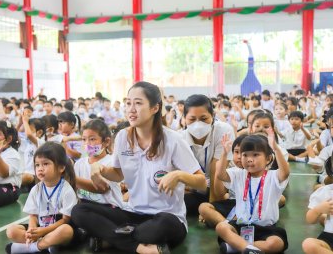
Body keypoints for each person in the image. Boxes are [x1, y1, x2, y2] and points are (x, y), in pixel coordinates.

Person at [71, 81, 207, 253]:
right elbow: (118, 174)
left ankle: (112, 239)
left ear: (155, 108)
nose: (131, 109)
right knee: (79, 211)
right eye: (128, 103)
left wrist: (179, 175)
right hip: (133, 213)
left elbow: (202, 183)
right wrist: (100, 169)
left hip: (166, 217)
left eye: (138, 103)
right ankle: (139, 247)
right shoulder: (122, 137)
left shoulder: (173, 140)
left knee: (160, 226)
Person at [215, 132, 290, 254]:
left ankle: (236, 247)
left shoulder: (273, 176)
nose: (249, 159)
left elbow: (285, 172)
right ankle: (250, 249)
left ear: (268, 159)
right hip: (242, 225)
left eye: (255, 155)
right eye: (245, 155)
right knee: (221, 227)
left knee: (275, 243)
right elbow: (221, 175)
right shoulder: (239, 174)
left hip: (267, 228)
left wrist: (276, 149)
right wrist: (224, 153)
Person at [5, 142, 80, 254]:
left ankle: (34, 248)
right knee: (11, 231)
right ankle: (45, 246)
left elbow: (65, 220)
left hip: (57, 229)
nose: (40, 169)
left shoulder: (66, 189)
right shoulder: (36, 189)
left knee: (66, 230)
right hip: (41, 228)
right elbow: (33, 215)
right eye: (37, 165)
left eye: (45, 164)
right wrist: (32, 230)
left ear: (61, 168)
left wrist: (43, 231)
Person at [182, 94, 235, 214]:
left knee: (219, 195)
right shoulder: (180, 138)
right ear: (184, 118)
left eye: (203, 118)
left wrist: (212, 206)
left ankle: (216, 205)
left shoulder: (224, 131)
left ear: (213, 116)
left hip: (219, 184)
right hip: (197, 186)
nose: (198, 124)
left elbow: (216, 172)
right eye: (192, 119)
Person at [75, 119, 123, 208]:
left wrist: (71, 178)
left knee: (78, 210)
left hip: (108, 207)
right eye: (84, 139)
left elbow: (102, 188)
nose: (87, 144)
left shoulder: (111, 162)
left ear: (106, 142)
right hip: (85, 206)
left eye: (92, 139)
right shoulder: (79, 164)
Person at [302, 155, 333, 253]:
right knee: (309, 244)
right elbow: (310, 219)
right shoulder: (326, 191)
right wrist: (318, 209)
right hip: (330, 237)